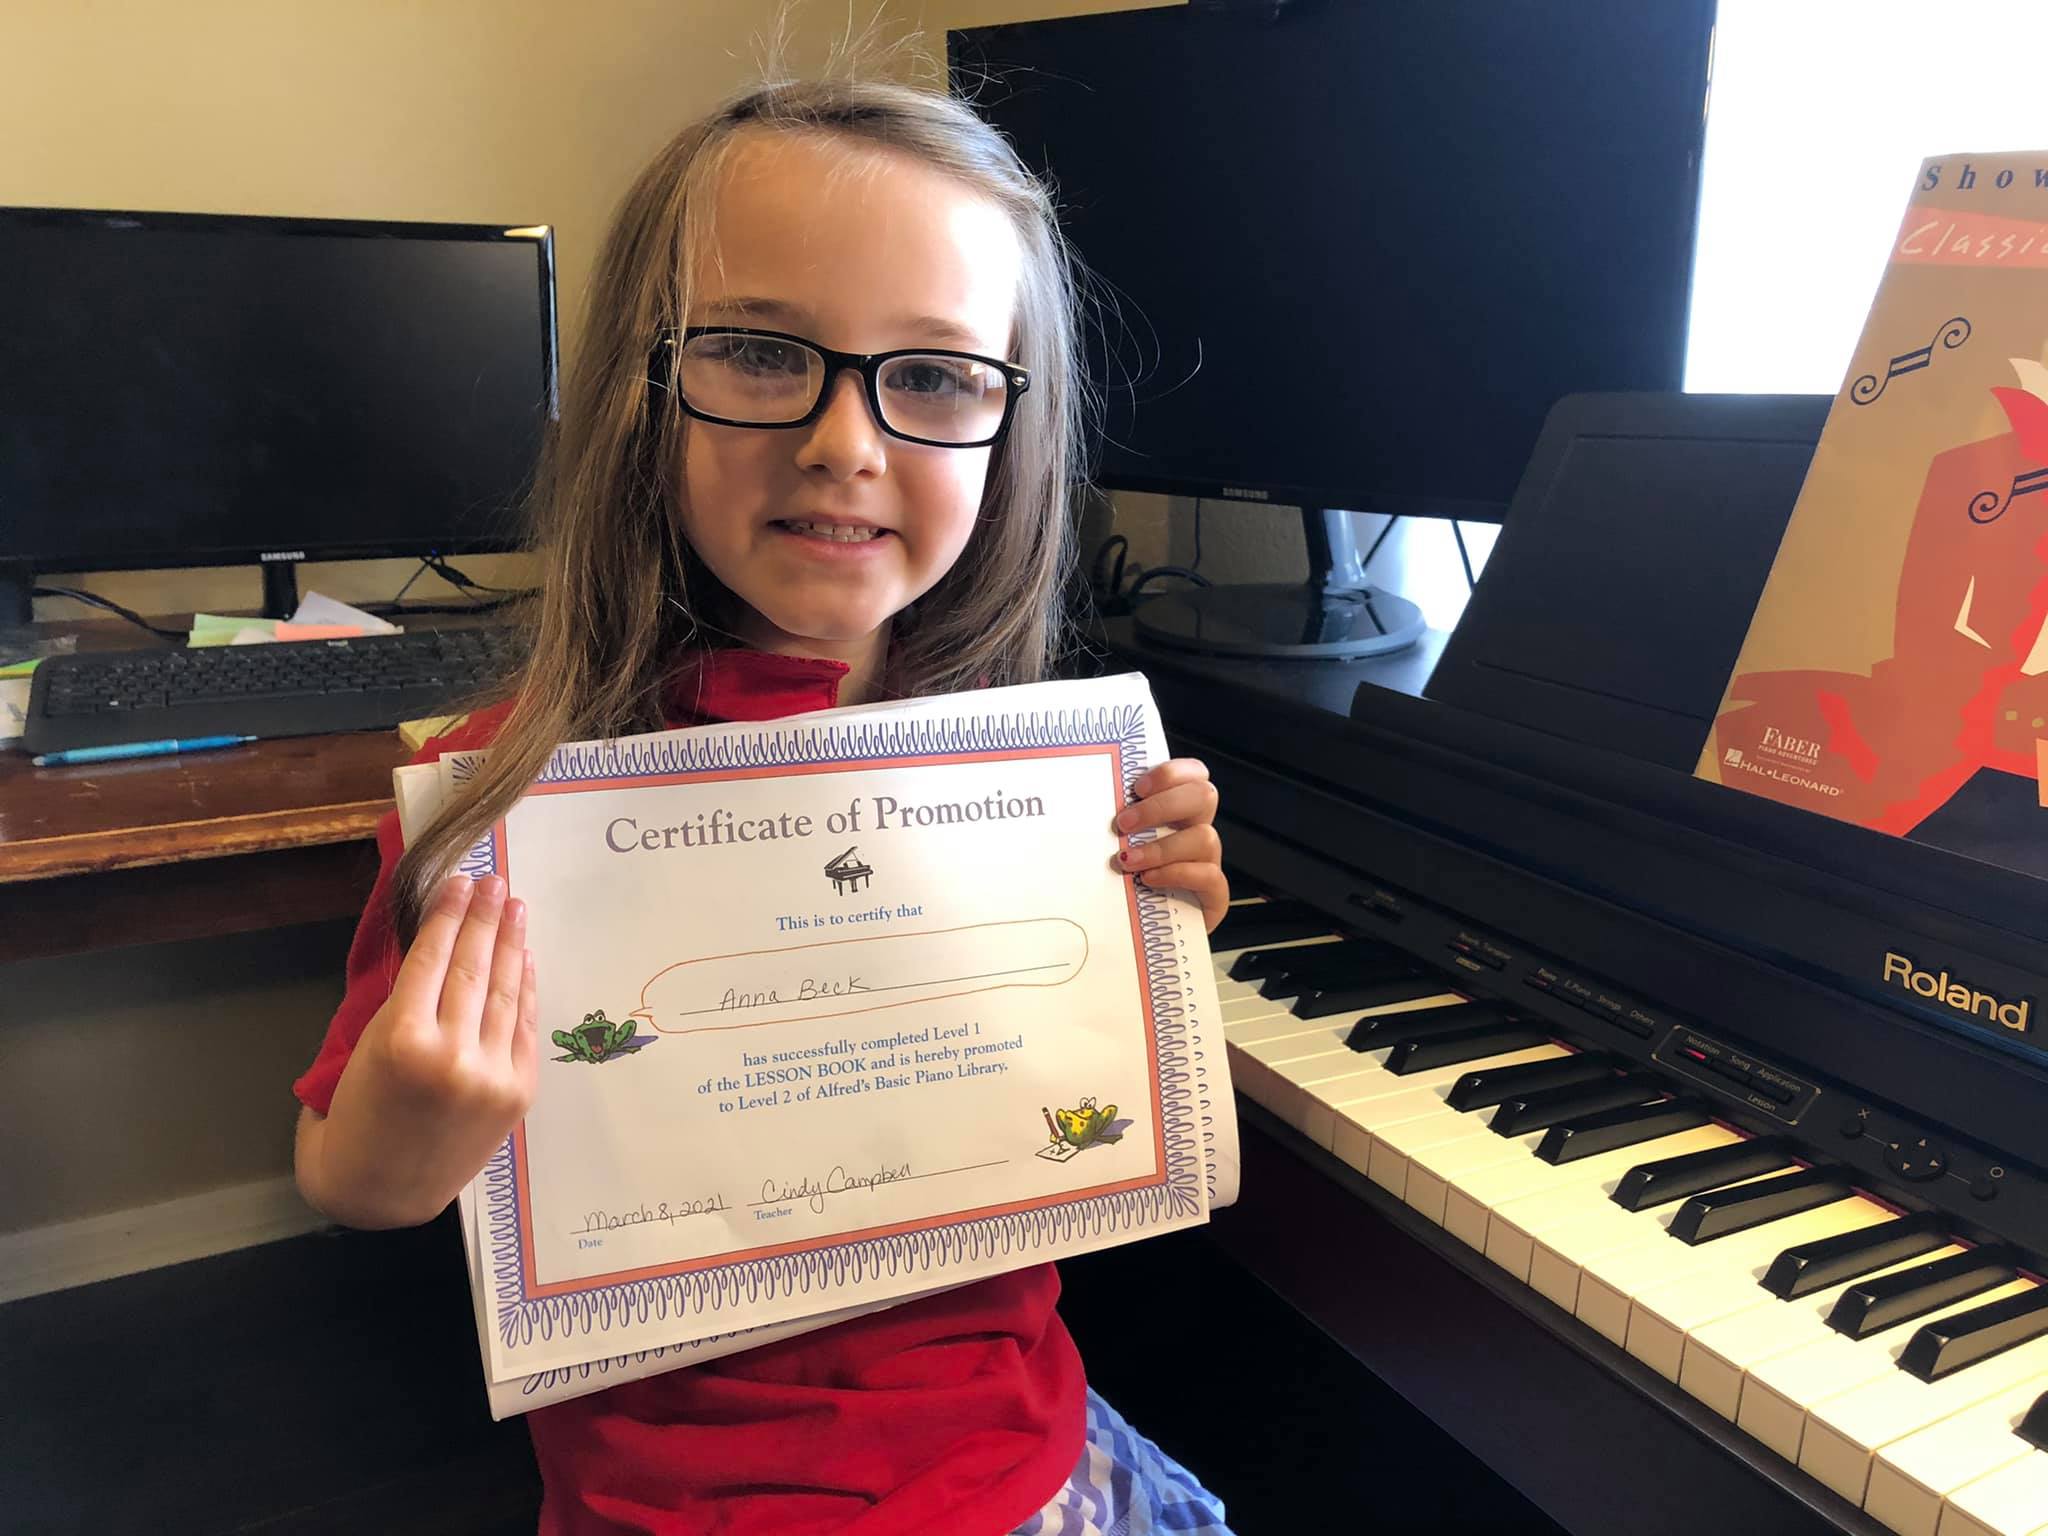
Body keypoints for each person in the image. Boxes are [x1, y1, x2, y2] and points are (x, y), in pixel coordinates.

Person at [292, 69, 1236, 1536]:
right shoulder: (510, 800)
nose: (845, 443)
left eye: (935, 376)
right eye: (755, 352)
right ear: (644, 388)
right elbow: (349, 1179)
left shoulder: (1020, 770)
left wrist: (1153, 930)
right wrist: (405, 1128)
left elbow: (1068, 1099)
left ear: (1012, 420)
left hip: (1023, 1457)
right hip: (695, 1509)